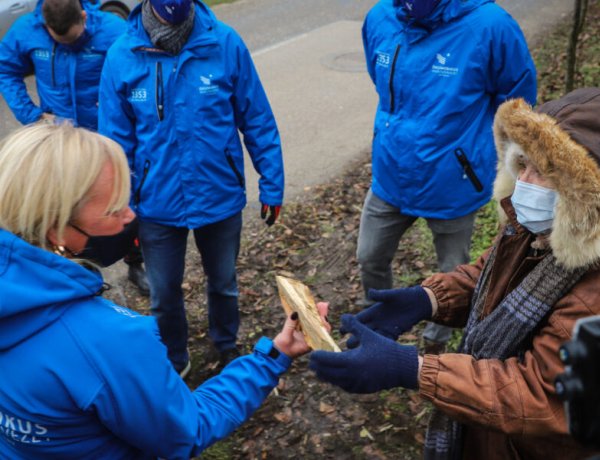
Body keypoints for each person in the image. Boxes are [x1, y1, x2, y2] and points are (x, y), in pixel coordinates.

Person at [0, 122, 324, 459]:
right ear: (56, 230)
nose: (130, 216)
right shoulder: (110, 340)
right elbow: (187, 431)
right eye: (113, 209)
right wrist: (274, 356)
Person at [310, 88, 600, 459]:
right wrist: (426, 299)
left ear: (586, 195)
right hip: (491, 437)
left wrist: (412, 370)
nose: (524, 182)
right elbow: (491, 274)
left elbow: (542, 397)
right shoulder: (543, 228)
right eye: (522, 164)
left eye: (543, 171)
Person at [98, 0, 284, 373]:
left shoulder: (224, 43)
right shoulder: (122, 55)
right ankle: (174, 359)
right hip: (157, 203)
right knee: (164, 295)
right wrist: (120, 205)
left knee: (224, 283)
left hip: (220, 194)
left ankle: (226, 345)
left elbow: (257, 118)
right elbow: (115, 145)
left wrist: (272, 183)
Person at [357, 0, 537, 353]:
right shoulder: (380, 17)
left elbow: (517, 105)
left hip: (452, 182)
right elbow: (384, 86)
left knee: (452, 271)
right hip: (391, 175)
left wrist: (499, 163)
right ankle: (380, 323)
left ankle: (435, 341)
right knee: (369, 255)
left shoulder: (491, 26)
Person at [0, 0, 150, 295]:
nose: (68, 45)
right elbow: (6, 69)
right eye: (59, 41)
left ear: (83, 16)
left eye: (75, 39)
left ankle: (136, 262)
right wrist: (32, 115)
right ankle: (80, 274)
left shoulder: (114, 31)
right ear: (45, 27)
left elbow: (141, 75)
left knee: (120, 207)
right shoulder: (26, 31)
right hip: (61, 149)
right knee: (68, 214)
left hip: (108, 141)